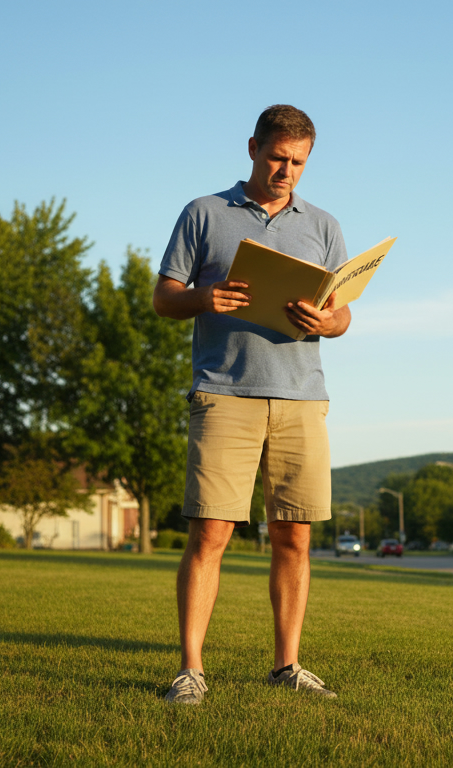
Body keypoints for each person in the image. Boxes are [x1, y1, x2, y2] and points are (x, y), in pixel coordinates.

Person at [152, 105, 349, 705]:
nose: (286, 171)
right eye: (276, 158)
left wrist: (328, 319)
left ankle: (287, 665)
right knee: (210, 531)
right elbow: (165, 298)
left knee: (294, 538)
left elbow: (342, 314)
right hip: (225, 392)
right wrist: (207, 297)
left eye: (298, 162)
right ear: (252, 148)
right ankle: (191, 670)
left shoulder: (323, 225)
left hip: (301, 397)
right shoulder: (204, 213)